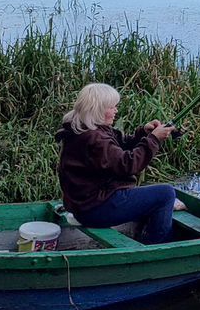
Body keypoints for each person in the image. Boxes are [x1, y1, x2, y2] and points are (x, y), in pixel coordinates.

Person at [56, 82, 180, 244]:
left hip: (85, 206)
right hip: (95, 209)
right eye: (112, 107)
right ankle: (159, 248)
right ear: (98, 110)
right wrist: (154, 139)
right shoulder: (96, 139)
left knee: (156, 196)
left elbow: (117, 146)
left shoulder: (82, 129)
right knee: (166, 194)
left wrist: (143, 133)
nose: (116, 110)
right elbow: (128, 164)